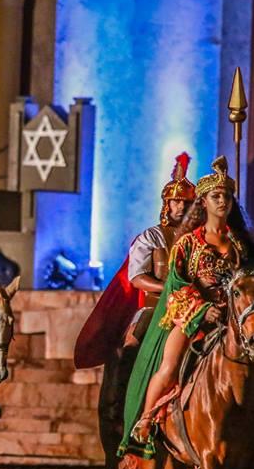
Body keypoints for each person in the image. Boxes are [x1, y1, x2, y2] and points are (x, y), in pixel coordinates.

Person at [119, 156, 254, 457]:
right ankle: (145, 422)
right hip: (193, 317)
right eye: (216, 196)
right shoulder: (187, 244)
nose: (223, 201)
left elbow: (253, 278)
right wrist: (201, 309)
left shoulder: (241, 244)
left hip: (233, 317)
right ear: (203, 202)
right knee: (169, 365)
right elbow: (177, 285)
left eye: (226, 196)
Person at [74, 152, 196, 371]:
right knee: (131, 349)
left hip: (195, 305)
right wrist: (168, 287)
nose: (180, 207)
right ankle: (123, 386)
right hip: (156, 306)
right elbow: (137, 277)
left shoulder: (198, 238)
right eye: (176, 201)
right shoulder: (152, 237)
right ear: (167, 204)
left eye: (186, 202)